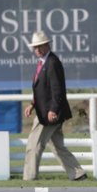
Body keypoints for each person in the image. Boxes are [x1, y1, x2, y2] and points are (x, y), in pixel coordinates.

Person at [23, 31, 87, 181]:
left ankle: (29, 178)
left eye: (40, 46)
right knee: (57, 147)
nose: (37, 49)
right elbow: (42, 90)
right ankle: (78, 174)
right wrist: (32, 104)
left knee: (33, 145)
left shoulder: (52, 62)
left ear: (47, 45)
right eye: (35, 47)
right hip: (45, 111)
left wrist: (53, 109)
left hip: (48, 113)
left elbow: (58, 90)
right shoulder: (44, 62)